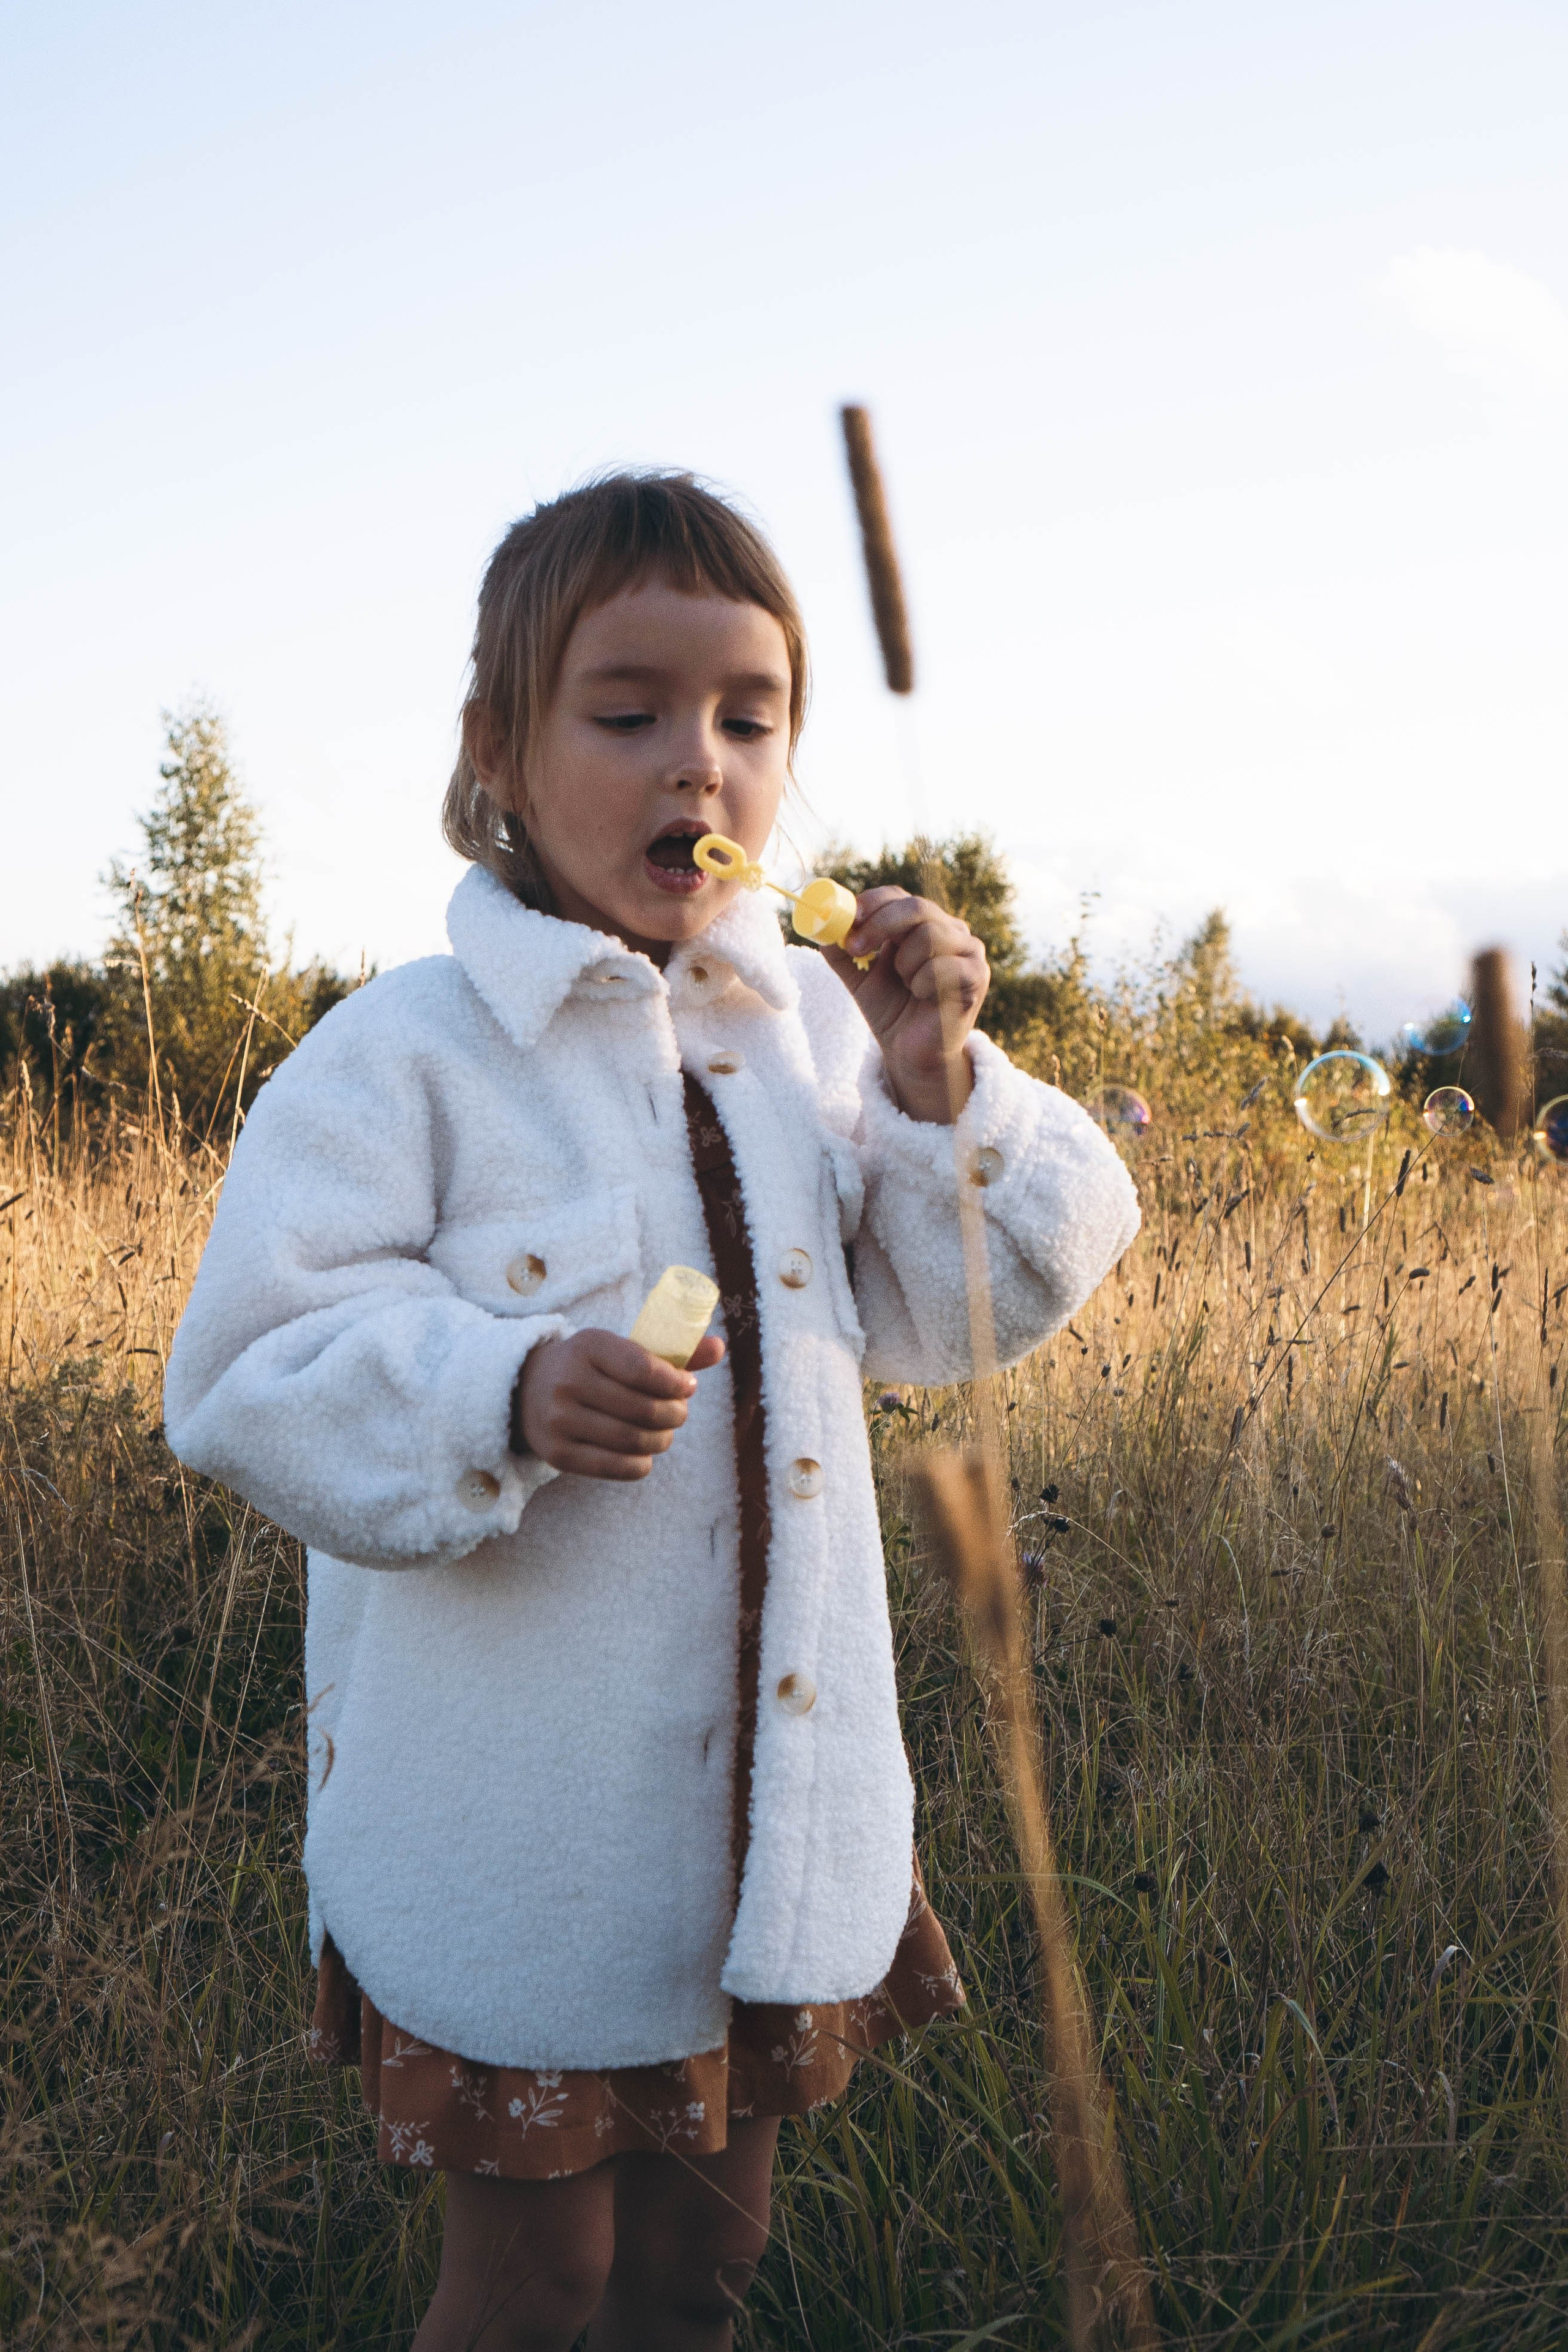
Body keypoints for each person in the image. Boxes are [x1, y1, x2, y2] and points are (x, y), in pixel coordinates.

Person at [164, 472, 1140, 2350]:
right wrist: (501, 1383)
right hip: (522, 1838)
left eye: (748, 720)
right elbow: (249, 1376)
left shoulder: (817, 1041)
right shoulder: (409, 1057)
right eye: (626, 714)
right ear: (497, 755)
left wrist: (947, 1087)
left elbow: (960, 1311)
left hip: (765, 1828)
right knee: (543, 2287)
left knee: (700, 2267)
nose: (697, 764)